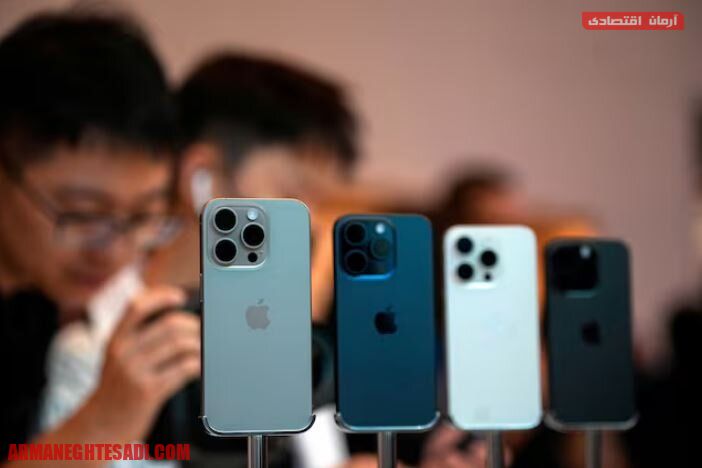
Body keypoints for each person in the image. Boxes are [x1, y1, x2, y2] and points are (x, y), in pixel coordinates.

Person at [0, 11, 200, 467]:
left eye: (144, 216)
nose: (114, 250)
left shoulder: (40, 306)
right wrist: (103, 426)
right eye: (84, 214)